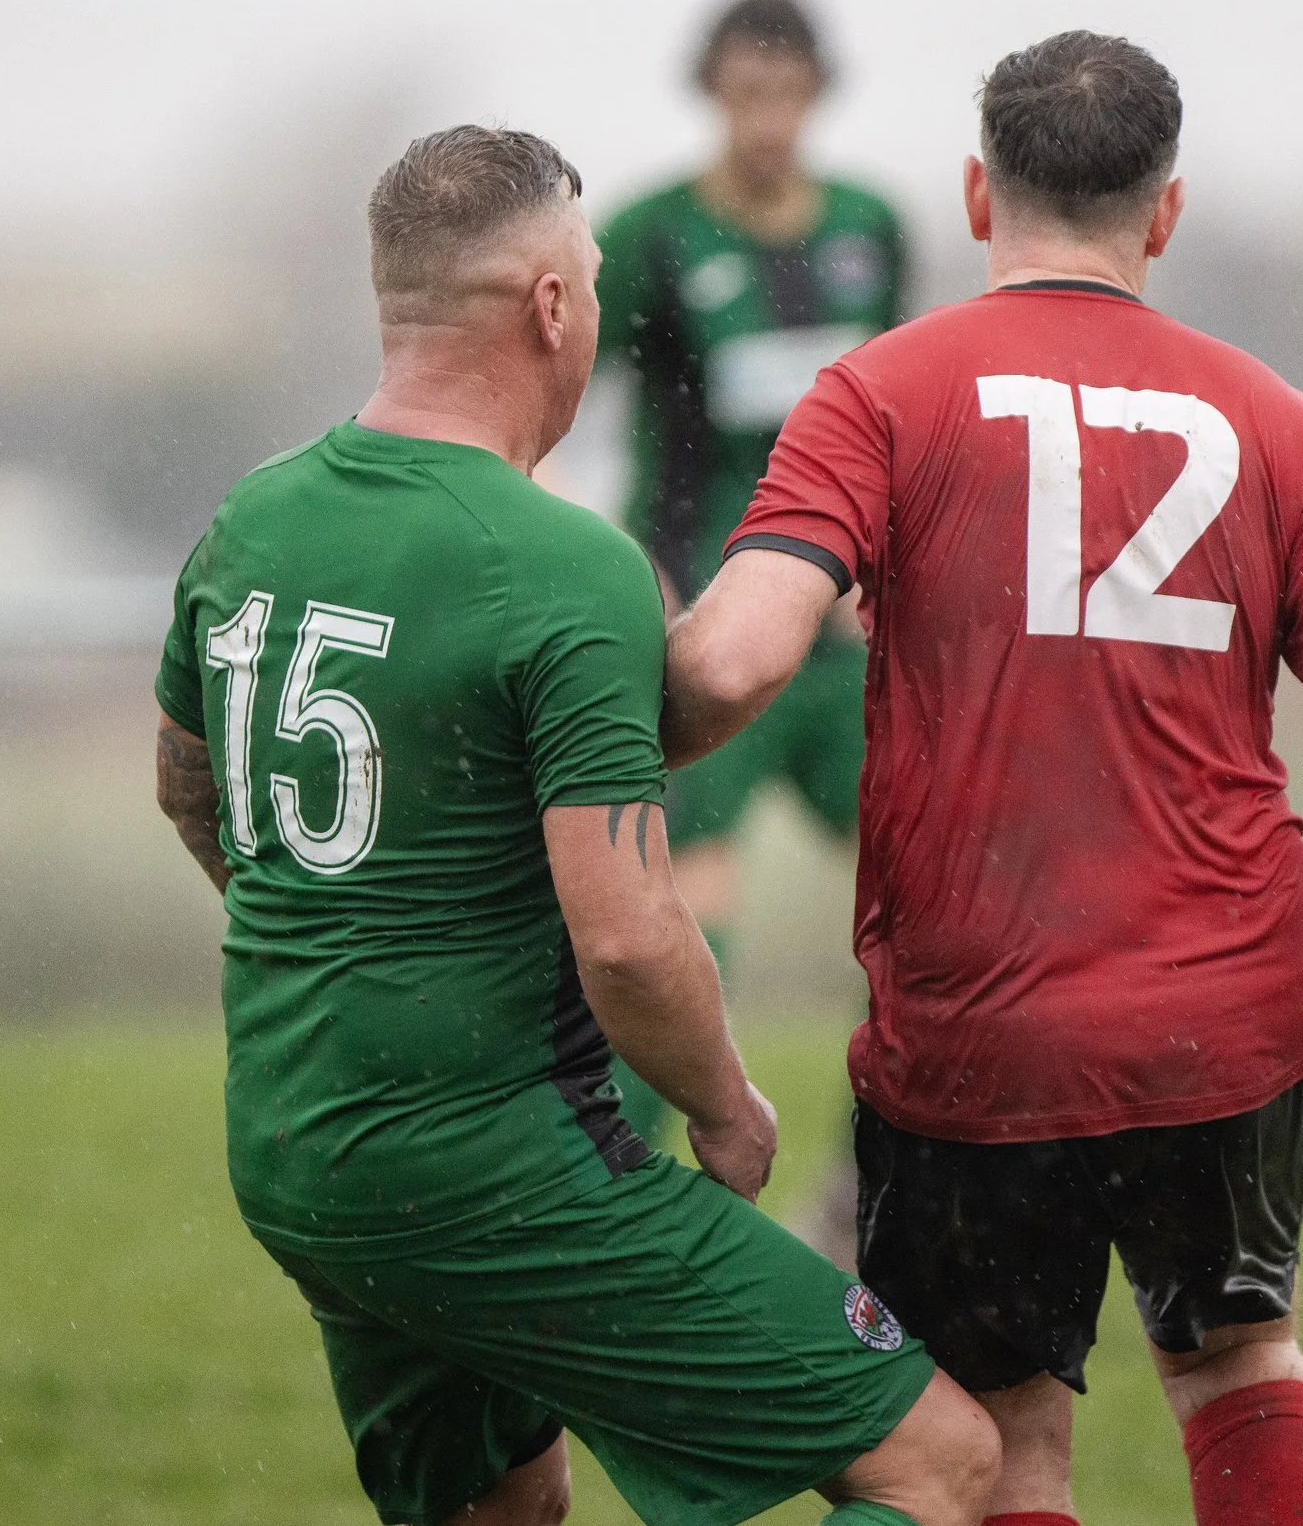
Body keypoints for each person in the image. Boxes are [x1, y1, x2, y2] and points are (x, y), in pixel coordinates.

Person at [660, 33, 1303, 1526]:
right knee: (1238, 1358)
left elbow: (728, 667)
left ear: (978, 194)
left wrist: (557, 753)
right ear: (1163, 212)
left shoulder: (878, 395)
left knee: (1010, 1430)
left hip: (983, 1030)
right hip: (1226, 1022)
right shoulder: (1283, 423)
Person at [152, 124, 997, 1526]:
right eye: (591, 278)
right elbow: (627, 939)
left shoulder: (255, 517)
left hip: (295, 1146)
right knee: (939, 1463)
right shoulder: (564, 565)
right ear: (552, 306)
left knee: (502, 1506)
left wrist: (342, 947)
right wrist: (727, 1106)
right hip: (491, 1167)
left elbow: (192, 787)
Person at [593, 0, 909, 1136]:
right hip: (698, 626)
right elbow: (552, 384)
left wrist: (892, 560)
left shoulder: (868, 226)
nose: (767, 119)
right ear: (711, 93)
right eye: (745, 93)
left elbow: (896, 414)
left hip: (834, 642)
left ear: (817, 92)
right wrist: (622, 565)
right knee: (680, 916)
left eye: (787, 92)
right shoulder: (649, 236)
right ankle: (626, 1187)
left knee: (930, 910)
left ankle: (894, 1176)